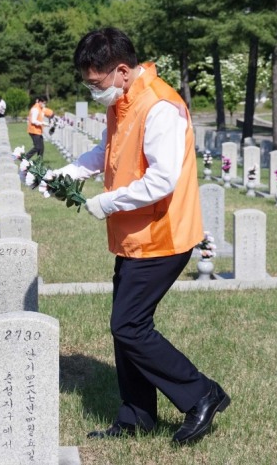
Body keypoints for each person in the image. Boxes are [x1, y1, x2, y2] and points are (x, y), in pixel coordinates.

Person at [59, 27, 230, 445]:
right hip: (136, 236)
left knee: (129, 325)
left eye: (96, 83)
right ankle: (137, 418)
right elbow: (108, 151)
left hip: (163, 234)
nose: (93, 90)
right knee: (126, 327)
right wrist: (67, 174)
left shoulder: (160, 106)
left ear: (120, 70)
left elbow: (163, 179)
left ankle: (201, 394)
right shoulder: (123, 100)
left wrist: (108, 202)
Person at [25, 96, 47, 160]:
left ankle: (39, 163)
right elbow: (33, 120)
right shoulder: (35, 109)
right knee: (37, 147)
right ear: (40, 102)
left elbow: (40, 118)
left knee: (41, 148)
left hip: (38, 131)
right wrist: (43, 123)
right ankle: (26, 157)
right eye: (44, 103)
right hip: (33, 131)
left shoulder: (40, 108)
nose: (44, 105)